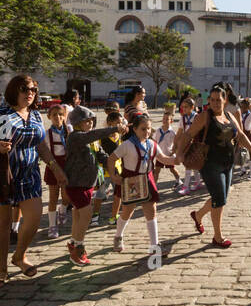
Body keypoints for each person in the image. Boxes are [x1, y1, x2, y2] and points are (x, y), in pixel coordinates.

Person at [0, 74, 67, 289]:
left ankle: (19, 256)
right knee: (2, 225)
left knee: (33, 220)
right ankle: (1, 270)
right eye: (24, 89)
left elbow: (40, 145)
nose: (29, 93)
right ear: (14, 90)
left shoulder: (35, 116)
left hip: (29, 176)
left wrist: (55, 167)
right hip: (2, 176)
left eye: (32, 90)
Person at [175, 84, 251, 249]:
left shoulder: (229, 115)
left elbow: (240, 135)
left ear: (224, 100)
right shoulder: (204, 116)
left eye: (218, 100)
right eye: (211, 100)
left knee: (220, 198)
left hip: (228, 163)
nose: (214, 103)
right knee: (219, 199)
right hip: (209, 164)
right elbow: (188, 134)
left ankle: (198, 216)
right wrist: (179, 153)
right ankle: (217, 237)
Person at [110, 111, 181, 256]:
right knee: (127, 212)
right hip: (131, 180)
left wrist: (178, 159)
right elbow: (111, 159)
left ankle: (154, 246)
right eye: (143, 129)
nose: (147, 132)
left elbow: (163, 159)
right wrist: (113, 175)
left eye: (148, 128)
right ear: (134, 129)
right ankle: (118, 236)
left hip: (147, 179)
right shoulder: (127, 145)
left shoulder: (152, 144)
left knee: (151, 211)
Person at [63, 108, 123, 265]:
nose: (90, 124)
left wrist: (114, 170)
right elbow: (92, 135)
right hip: (76, 183)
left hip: (88, 183)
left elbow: (102, 155)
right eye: (86, 121)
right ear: (76, 123)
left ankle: (73, 242)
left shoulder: (92, 139)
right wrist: (115, 128)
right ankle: (78, 248)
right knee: (86, 213)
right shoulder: (75, 137)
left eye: (91, 121)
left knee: (78, 214)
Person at [90, 110, 125, 227]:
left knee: (118, 194)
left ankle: (113, 216)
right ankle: (95, 216)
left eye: (121, 122)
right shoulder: (102, 136)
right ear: (110, 123)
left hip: (118, 171)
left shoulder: (120, 136)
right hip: (104, 172)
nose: (120, 125)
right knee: (100, 195)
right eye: (118, 123)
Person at [42, 103, 71, 239]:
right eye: (54, 115)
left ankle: (63, 209)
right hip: (53, 166)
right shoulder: (47, 134)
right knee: (53, 198)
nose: (58, 117)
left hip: (67, 166)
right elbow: (45, 152)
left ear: (64, 116)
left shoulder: (69, 130)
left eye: (60, 114)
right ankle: (52, 225)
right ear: (49, 117)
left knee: (66, 196)